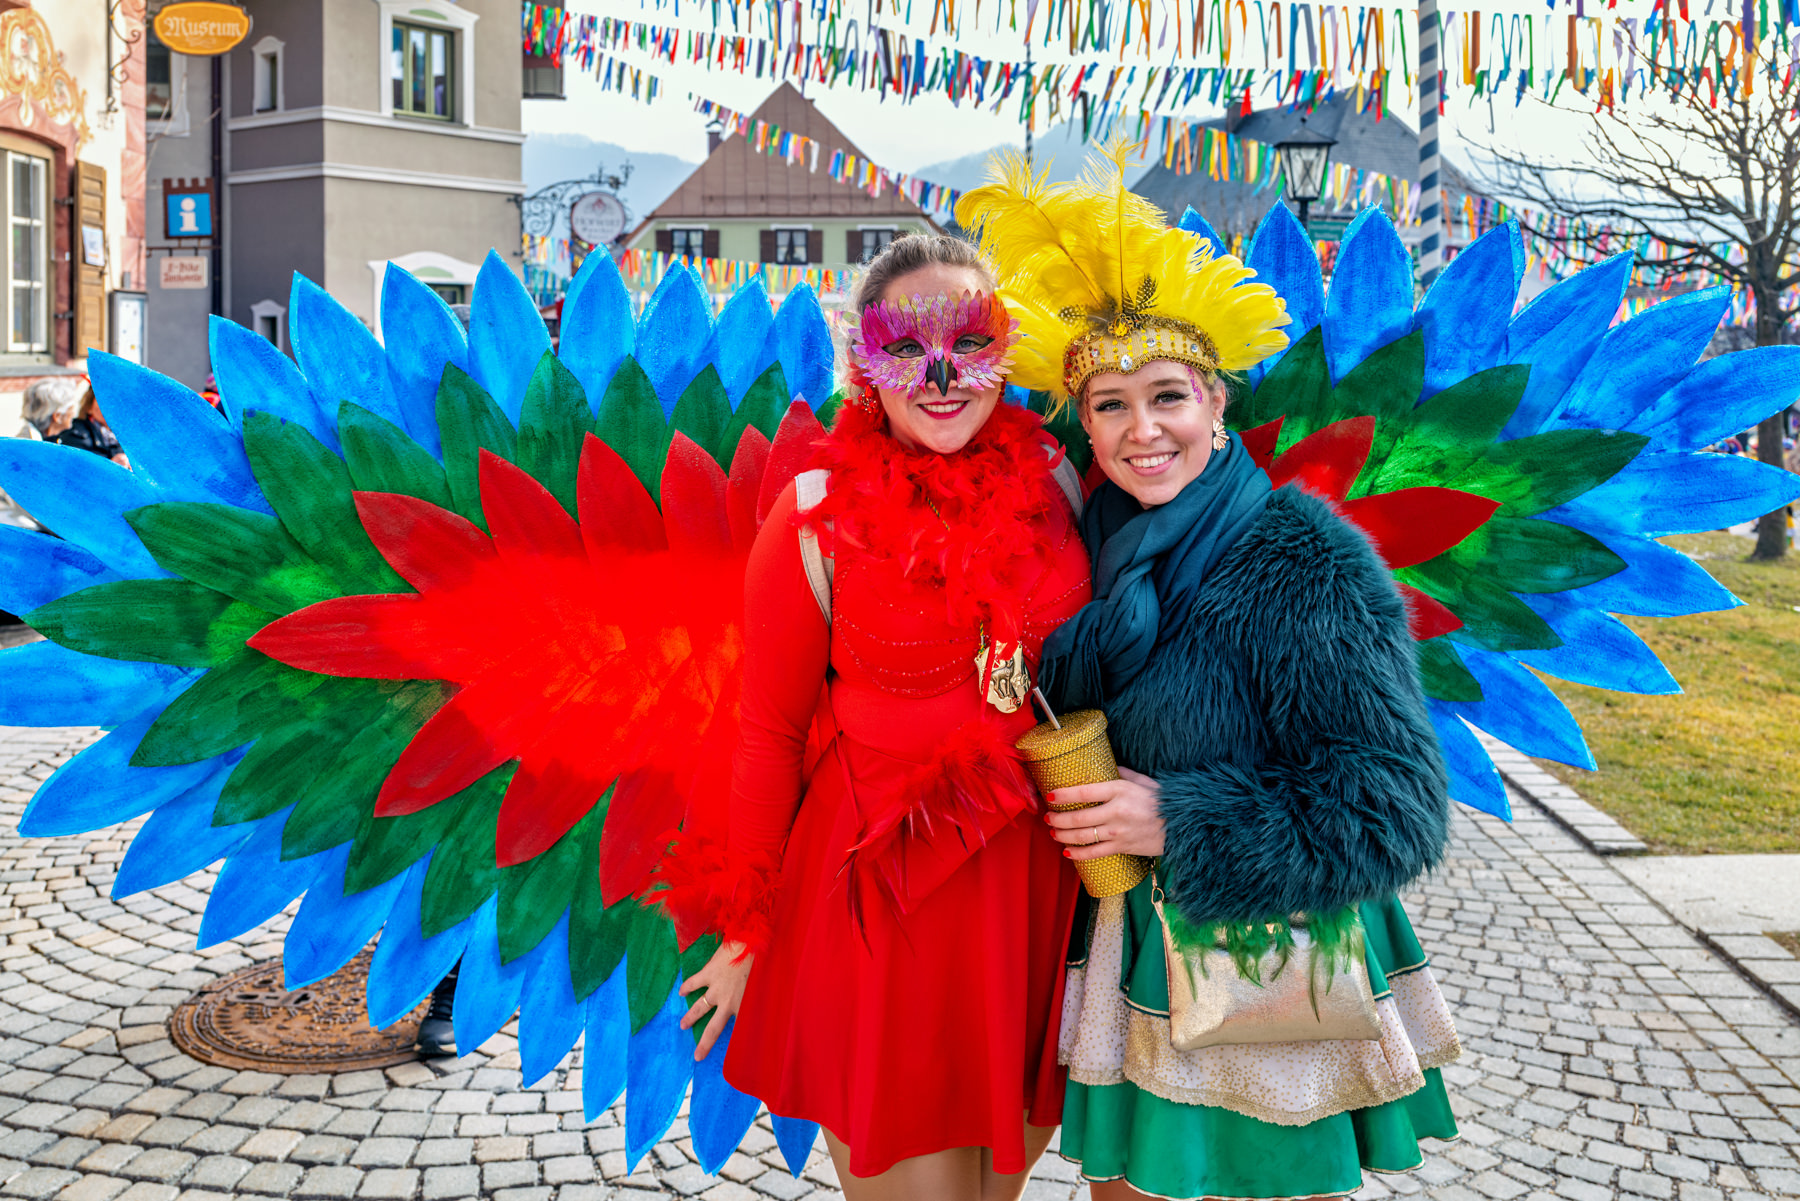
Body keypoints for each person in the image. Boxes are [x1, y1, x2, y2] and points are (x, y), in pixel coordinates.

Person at [962, 160, 1461, 1200]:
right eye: (1111, 405)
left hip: (1270, 963)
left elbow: (1399, 809)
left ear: (1217, 402)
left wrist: (1180, 818)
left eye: (1167, 397)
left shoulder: (1304, 562)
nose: (1142, 430)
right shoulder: (1085, 553)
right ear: (1085, 423)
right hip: (1136, 958)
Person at [665, 234, 1093, 1200]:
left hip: (1030, 898)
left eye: (969, 342)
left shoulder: (1062, 483)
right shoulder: (814, 518)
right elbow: (769, 734)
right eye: (906, 347)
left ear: (1006, 348)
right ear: (864, 362)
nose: (940, 378)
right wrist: (745, 931)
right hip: (885, 902)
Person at [53, 387, 130, 470]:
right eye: (102, 401)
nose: (109, 407)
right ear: (89, 406)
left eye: (114, 403)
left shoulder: (124, 437)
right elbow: (74, 467)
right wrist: (108, 466)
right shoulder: (74, 432)